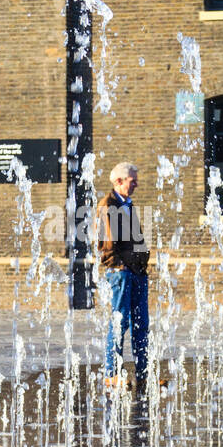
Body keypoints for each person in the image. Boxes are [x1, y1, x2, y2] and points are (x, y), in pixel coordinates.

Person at [97, 162, 149, 390]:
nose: (136, 184)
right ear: (119, 181)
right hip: (122, 274)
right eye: (132, 180)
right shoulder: (107, 205)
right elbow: (105, 245)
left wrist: (142, 266)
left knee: (141, 325)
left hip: (137, 273)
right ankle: (112, 374)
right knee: (119, 323)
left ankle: (143, 374)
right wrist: (120, 267)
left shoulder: (128, 204)